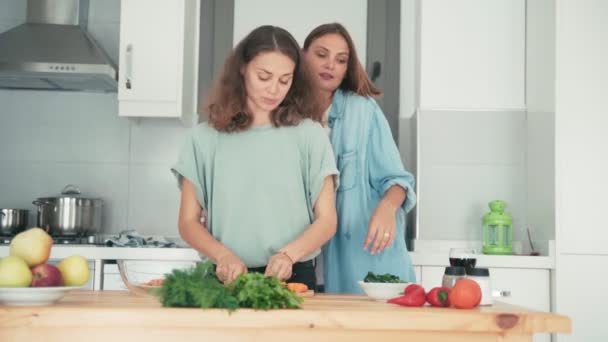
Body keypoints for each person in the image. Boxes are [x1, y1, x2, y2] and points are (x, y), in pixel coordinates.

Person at [172, 25, 338, 290]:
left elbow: (327, 219)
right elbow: (188, 222)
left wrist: (288, 255)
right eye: (264, 77)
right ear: (242, 69)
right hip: (223, 277)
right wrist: (223, 255)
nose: (274, 89)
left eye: (285, 80)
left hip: (293, 276)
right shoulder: (203, 139)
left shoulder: (310, 136)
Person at [303, 23, 417, 293]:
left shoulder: (363, 111)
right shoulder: (286, 115)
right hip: (301, 261)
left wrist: (388, 209)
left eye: (341, 60)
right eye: (321, 55)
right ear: (302, 55)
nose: (330, 65)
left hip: (360, 255)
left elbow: (397, 180)